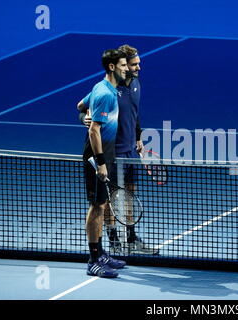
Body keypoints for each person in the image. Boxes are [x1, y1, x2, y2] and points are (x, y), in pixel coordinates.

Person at [78, 44, 159, 255]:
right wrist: (84, 118)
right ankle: (113, 239)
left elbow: (135, 112)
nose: (137, 68)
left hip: (131, 150)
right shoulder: (110, 90)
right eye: (132, 65)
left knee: (130, 193)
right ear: (119, 66)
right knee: (110, 197)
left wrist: (139, 136)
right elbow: (83, 108)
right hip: (113, 151)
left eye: (137, 63)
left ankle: (131, 238)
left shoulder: (136, 85)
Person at [83, 49, 128, 278]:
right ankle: (93, 260)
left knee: (101, 205)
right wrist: (100, 163)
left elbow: (80, 106)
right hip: (96, 158)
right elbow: (94, 130)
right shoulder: (106, 94)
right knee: (97, 206)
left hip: (105, 157)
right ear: (112, 67)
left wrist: (84, 117)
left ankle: (100, 253)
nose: (127, 68)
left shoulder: (104, 89)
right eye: (123, 65)